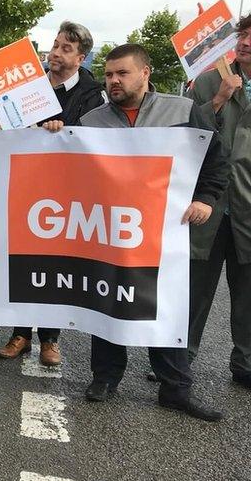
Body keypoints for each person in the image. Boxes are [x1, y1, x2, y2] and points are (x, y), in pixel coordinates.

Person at [77, 43, 228, 422]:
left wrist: (206, 199)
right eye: (109, 74)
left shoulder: (182, 111)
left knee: (166, 307)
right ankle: (105, 378)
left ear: (145, 73)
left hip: (165, 232)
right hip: (110, 231)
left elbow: (216, 159)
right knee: (108, 300)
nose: (113, 80)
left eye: (122, 73)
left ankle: (175, 389)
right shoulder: (93, 119)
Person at [0, 21, 107, 366]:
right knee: (23, 257)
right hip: (26, 183)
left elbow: (94, 136)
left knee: (55, 264)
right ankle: (20, 334)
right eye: (55, 45)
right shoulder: (29, 85)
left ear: (81, 57)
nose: (55, 53)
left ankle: (50, 338)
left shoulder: (91, 92)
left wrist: (65, 130)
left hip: (64, 191)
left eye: (65, 49)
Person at [186, 13, 251, 389]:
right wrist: (221, 97)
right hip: (209, 203)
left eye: (250, 38)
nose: (243, 42)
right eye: (241, 35)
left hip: (247, 205)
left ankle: (244, 363)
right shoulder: (210, 80)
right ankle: (179, 358)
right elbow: (190, 132)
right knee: (195, 288)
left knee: (247, 292)